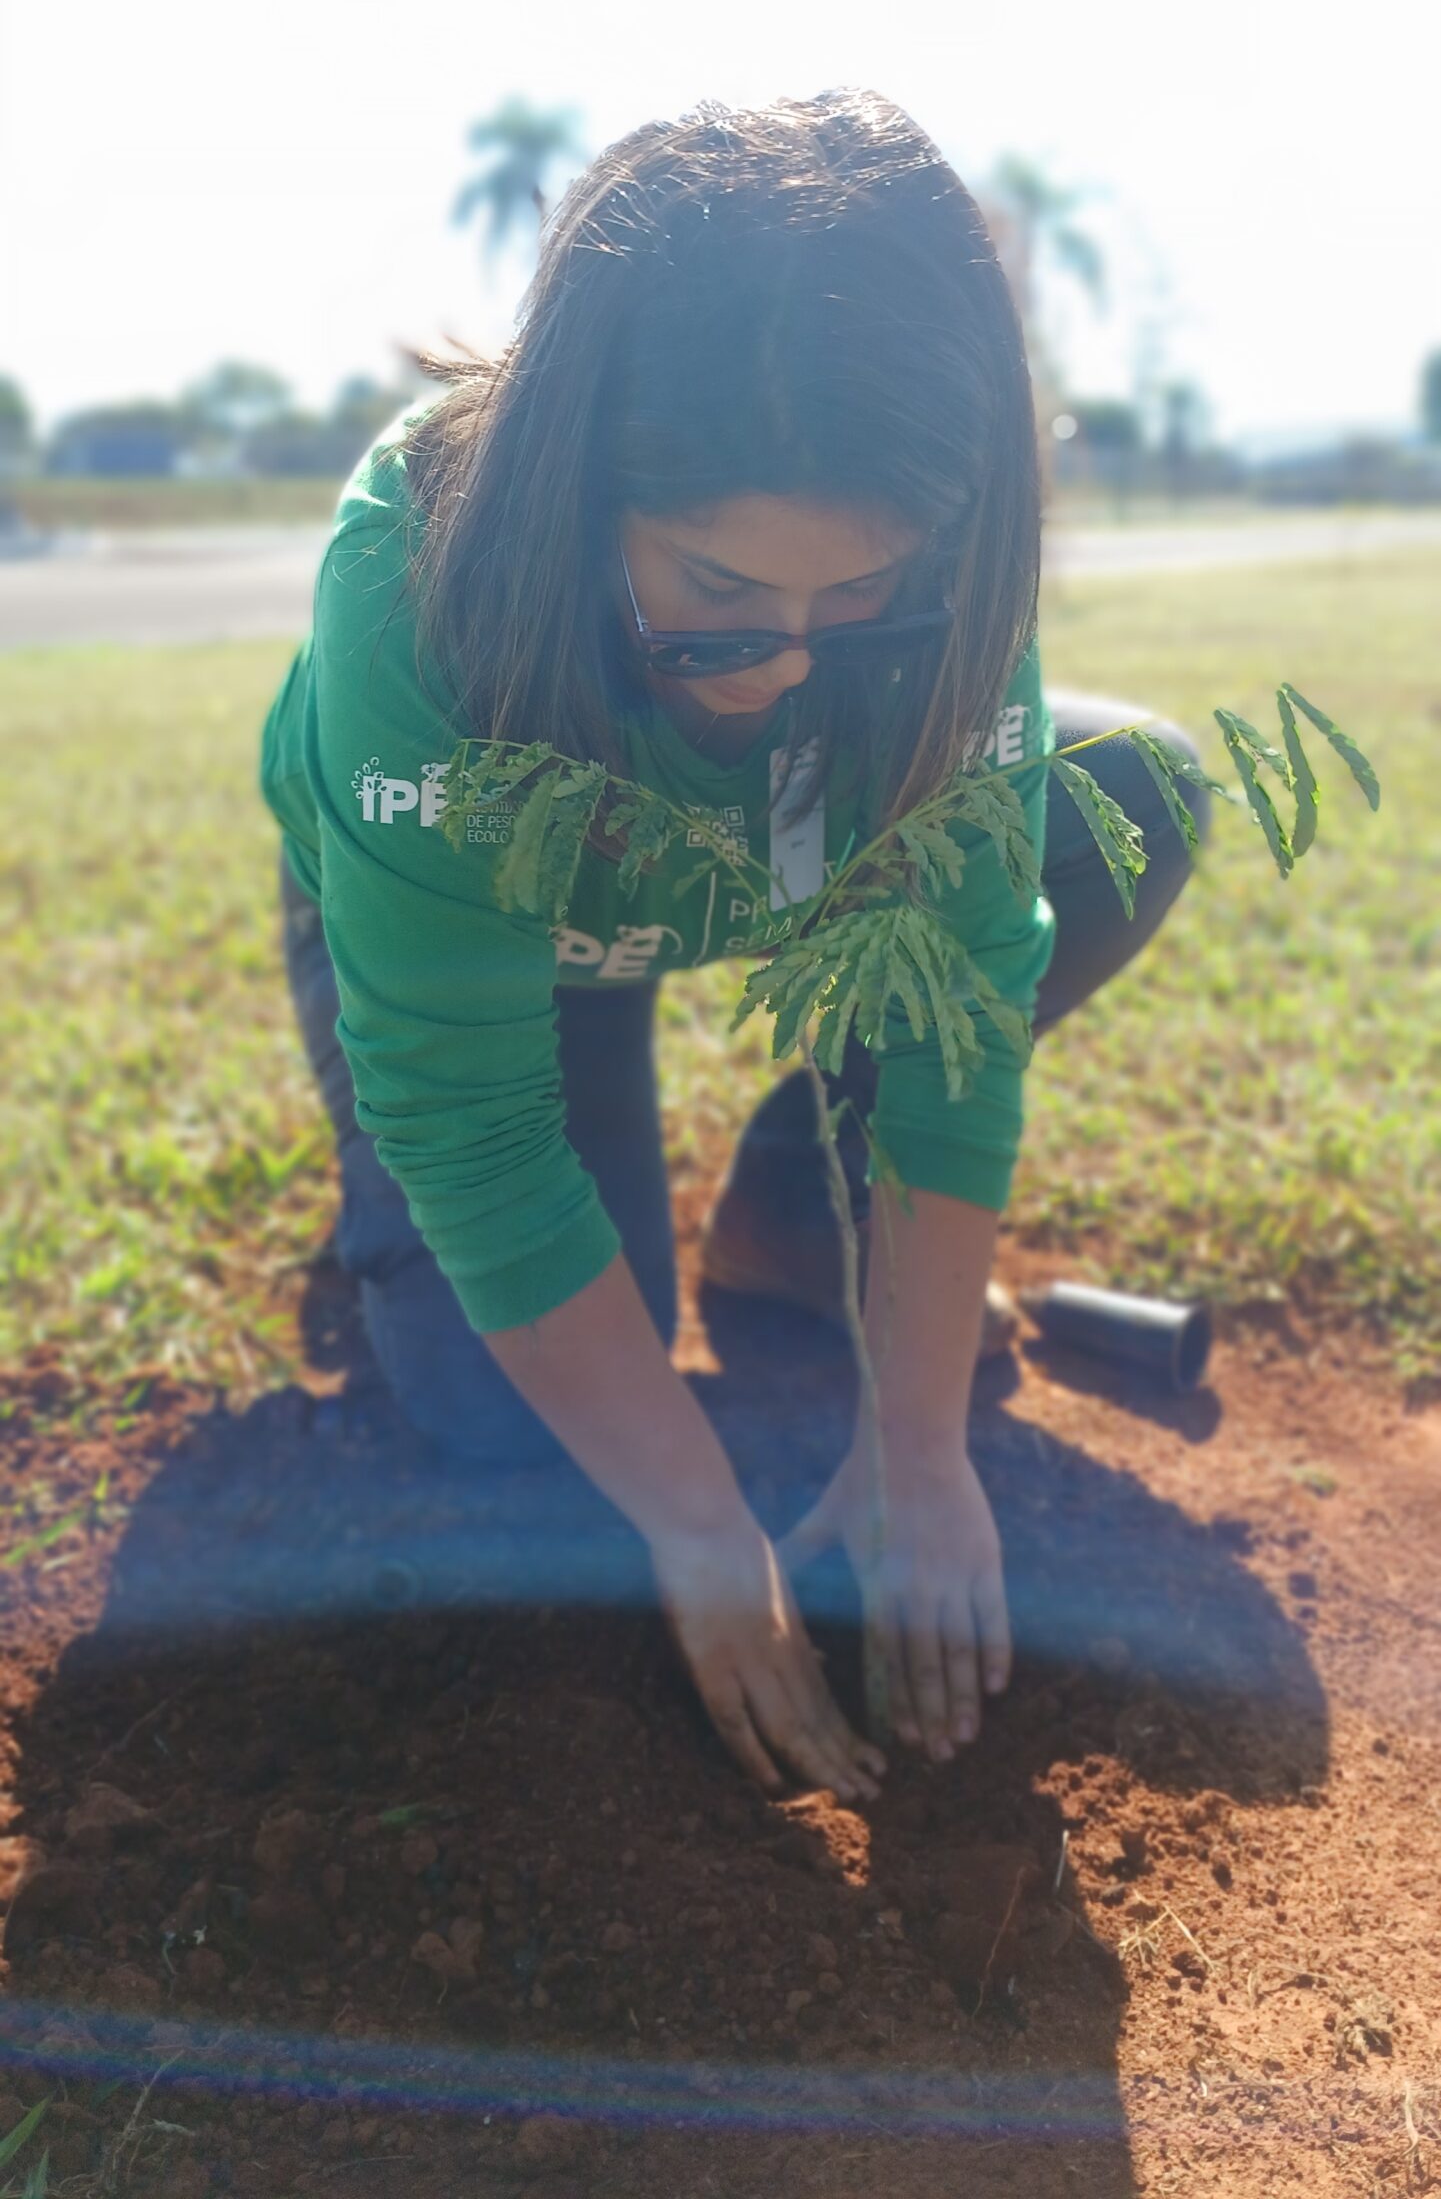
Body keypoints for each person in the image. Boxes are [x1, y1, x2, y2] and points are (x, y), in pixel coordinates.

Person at [258, 90, 1210, 1812]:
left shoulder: (952, 587)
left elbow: (956, 1008)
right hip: (496, 921)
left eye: (859, 602)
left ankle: (788, 1214)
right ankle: (382, 1238)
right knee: (503, 1417)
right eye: (714, 594)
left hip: (749, 870)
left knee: (1128, 791)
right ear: (575, 491)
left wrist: (915, 1443)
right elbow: (474, 1127)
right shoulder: (416, 577)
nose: (783, 669)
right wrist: (698, 1521)